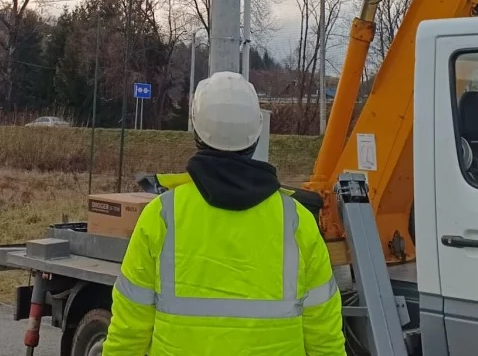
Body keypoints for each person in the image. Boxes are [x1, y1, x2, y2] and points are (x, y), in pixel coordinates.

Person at [104, 71, 347, 355]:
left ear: (196, 133)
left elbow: (129, 330)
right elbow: (324, 336)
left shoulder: (162, 216)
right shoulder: (297, 221)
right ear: (256, 134)